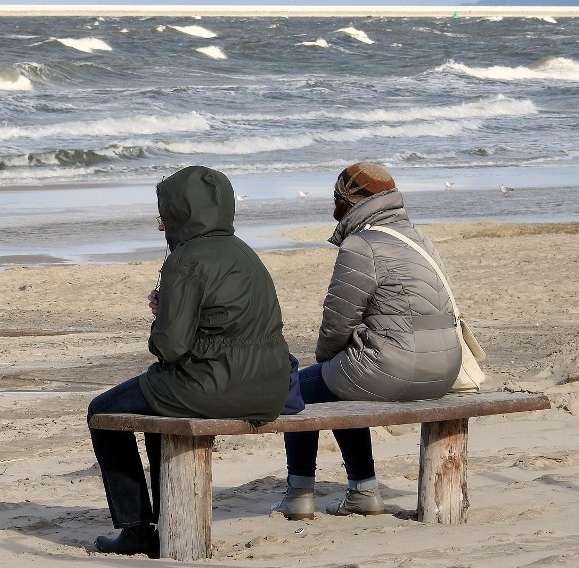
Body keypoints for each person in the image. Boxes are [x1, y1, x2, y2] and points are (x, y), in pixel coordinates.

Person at [88, 165, 292, 558]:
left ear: (181, 211)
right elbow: (227, 321)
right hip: (270, 386)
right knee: (153, 401)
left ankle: (135, 529)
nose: (161, 222)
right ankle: (166, 515)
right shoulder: (244, 252)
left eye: (164, 211)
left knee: (102, 413)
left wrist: (160, 317)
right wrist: (173, 310)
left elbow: (169, 348)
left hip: (217, 385)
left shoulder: (185, 260)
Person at [270, 162, 462, 520]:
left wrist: (326, 361)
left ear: (353, 200)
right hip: (447, 367)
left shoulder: (361, 245)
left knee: (297, 386)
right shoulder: (419, 238)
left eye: (336, 198)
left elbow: (338, 320)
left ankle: (299, 494)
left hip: (396, 368)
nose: (333, 209)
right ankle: (362, 491)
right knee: (343, 377)